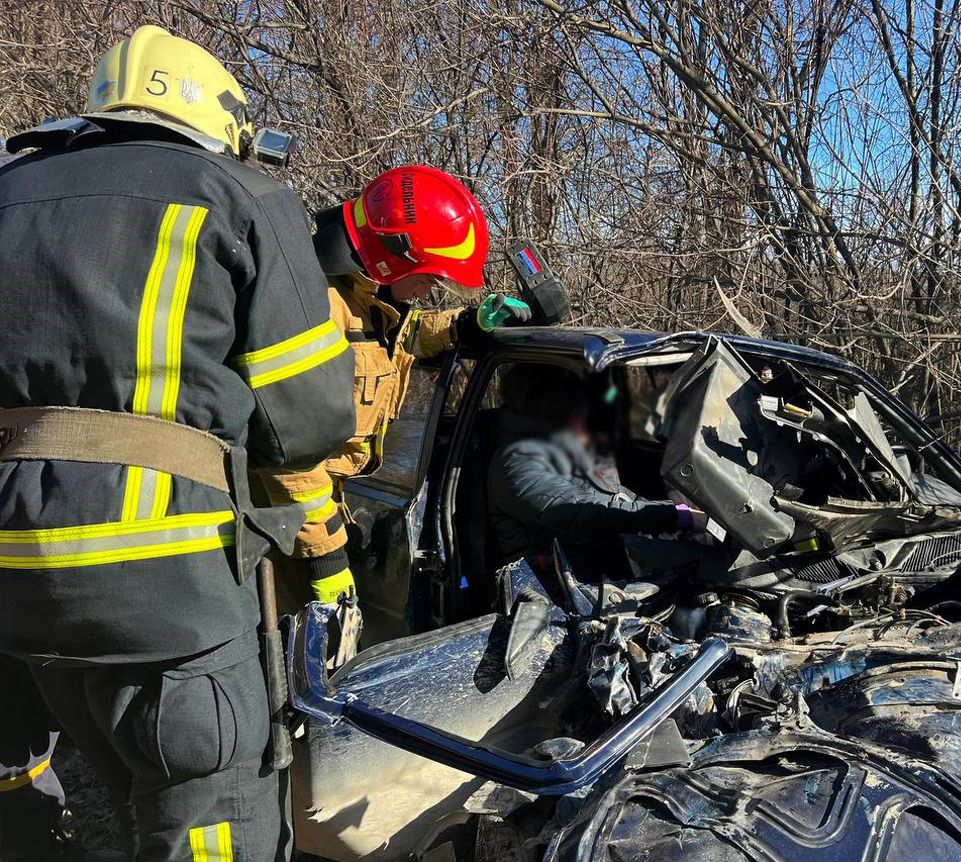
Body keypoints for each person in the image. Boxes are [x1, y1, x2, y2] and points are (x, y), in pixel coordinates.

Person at [0, 24, 354, 862]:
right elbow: (306, 423)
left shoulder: (9, 192)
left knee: (109, 770)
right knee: (209, 805)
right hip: (165, 595)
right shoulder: (239, 194)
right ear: (221, 117)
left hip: (15, 579)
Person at [255, 165, 531, 628]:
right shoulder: (315, 307)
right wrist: (324, 558)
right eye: (430, 276)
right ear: (392, 258)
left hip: (324, 518)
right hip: (285, 536)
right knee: (288, 669)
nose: (435, 288)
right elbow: (286, 454)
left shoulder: (365, 300)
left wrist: (467, 324)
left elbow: (402, 339)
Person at [488, 364, 708, 573]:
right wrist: (673, 515)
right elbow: (578, 514)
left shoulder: (570, 447)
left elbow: (618, 499)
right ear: (548, 407)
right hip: (558, 589)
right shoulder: (515, 461)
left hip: (606, 565)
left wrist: (680, 513)